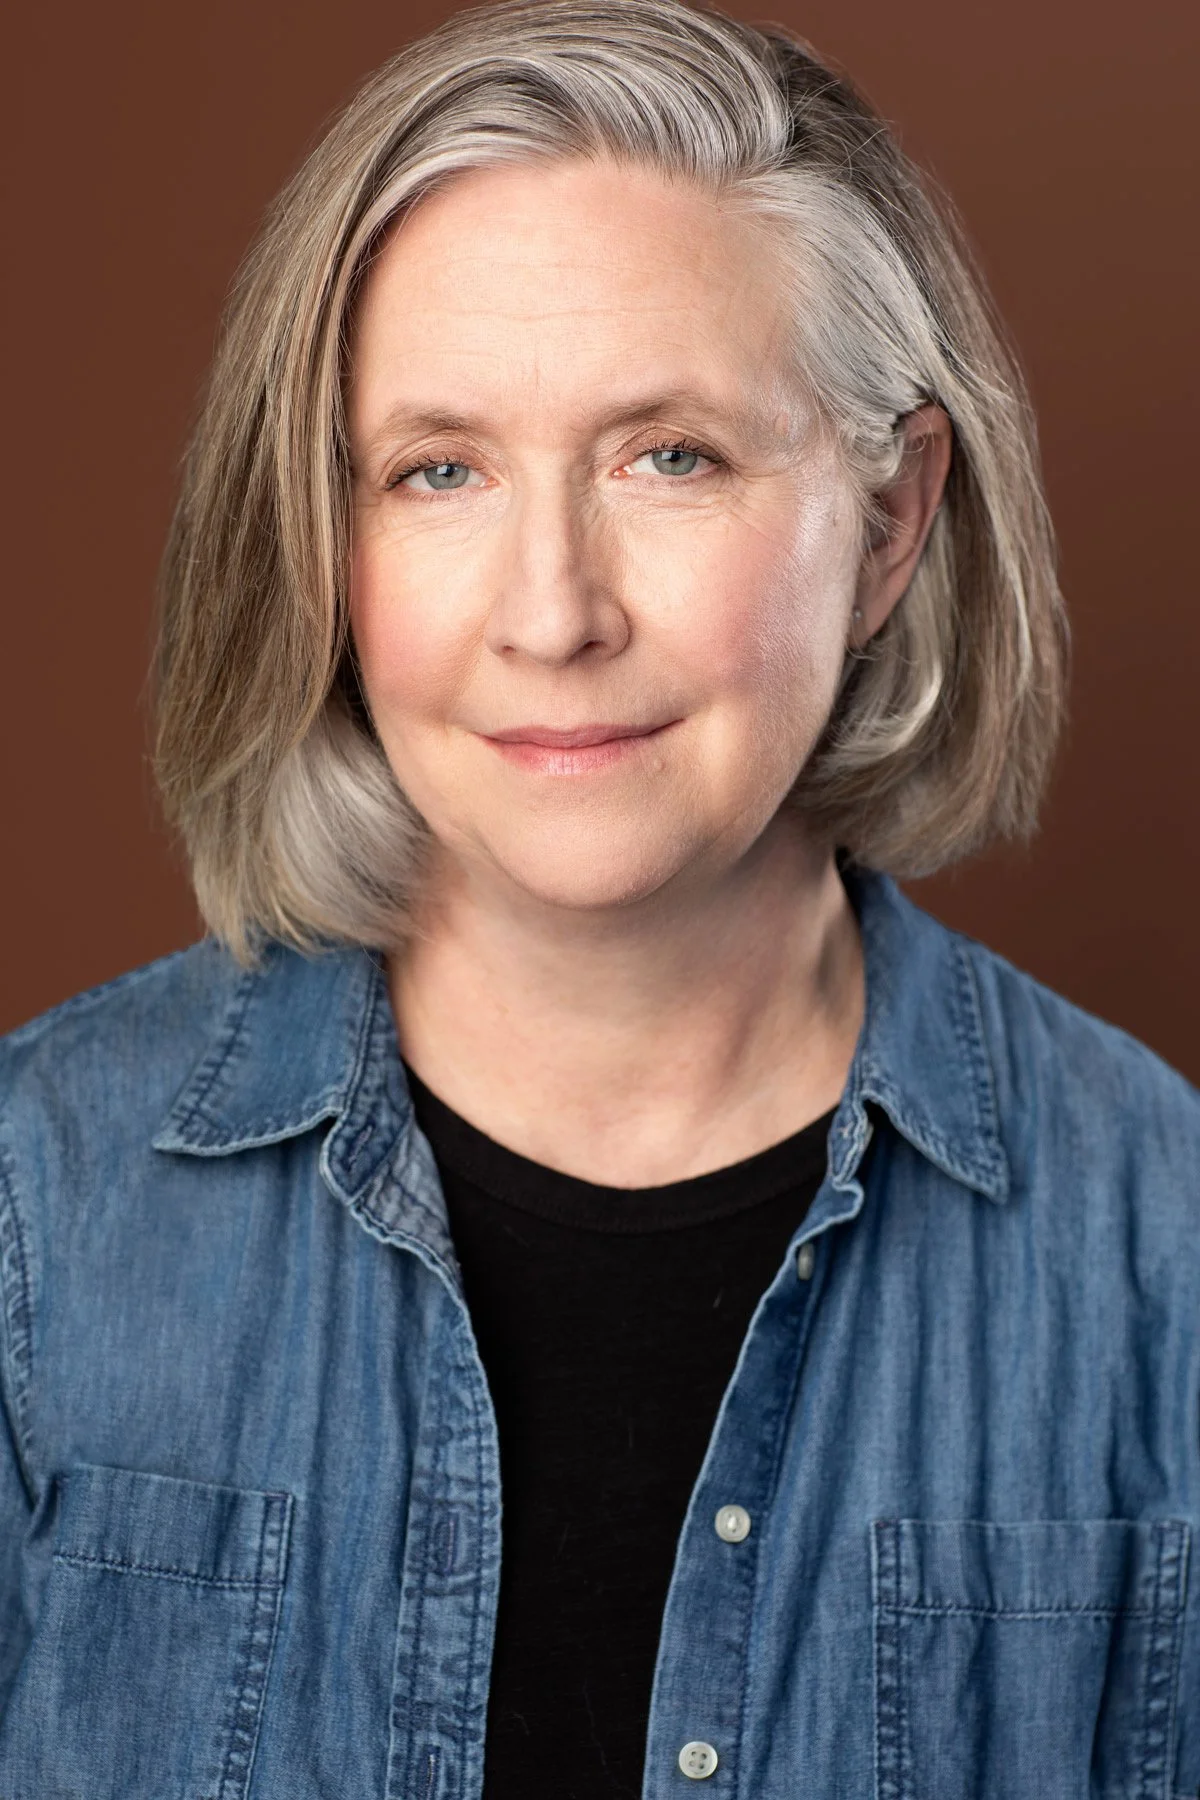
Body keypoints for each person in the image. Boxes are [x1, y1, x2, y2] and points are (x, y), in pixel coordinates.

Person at [1, 0, 1196, 1794]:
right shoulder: (33, 1207)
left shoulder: (1162, 1251)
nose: (553, 612)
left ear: (888, 523)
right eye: (440, 471)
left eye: (672, 455)